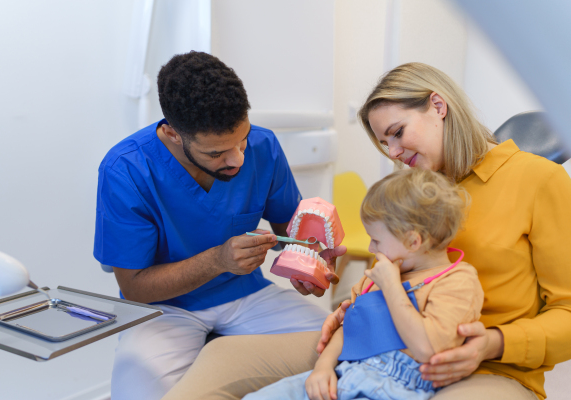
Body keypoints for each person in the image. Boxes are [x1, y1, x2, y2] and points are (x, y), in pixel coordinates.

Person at [162, 62, 571, 400]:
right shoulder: (411, 188)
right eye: (383, 144)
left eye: (397, 133)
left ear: (438, 106)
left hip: (483, 367)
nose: (394, 154)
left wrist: (495, 342)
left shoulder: (538, 180)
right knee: (223, 362)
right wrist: (351, 308)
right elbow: (388, 272)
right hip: (377, 343)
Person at [93, 51, 343, 400]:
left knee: (348, 346)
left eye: (241, 140)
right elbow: (134, 287)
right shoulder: (127, 170)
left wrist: (312, 258)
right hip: (165, 309)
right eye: (217, 153)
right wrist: (218, 260)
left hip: (247, 295)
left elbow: (292, 233)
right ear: (172, 134)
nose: (238, 159)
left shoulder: (263, 145)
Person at [243, 168, 483, 400]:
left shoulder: (457, 281)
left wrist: (391, 286)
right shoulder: (377, 276)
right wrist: (323, 368)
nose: (371, 249)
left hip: (395, 386)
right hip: (346, 370)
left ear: (413, 241)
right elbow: (349, 326)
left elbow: (428, 350)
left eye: (376, 240)